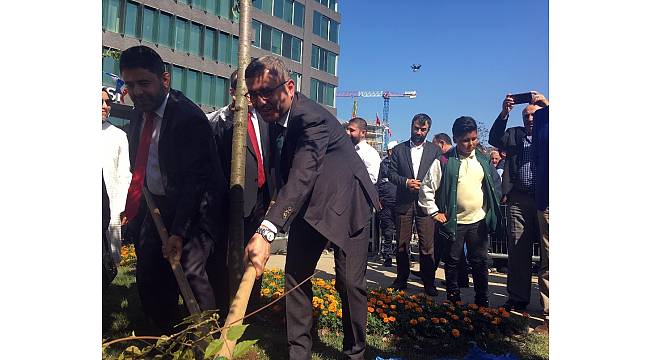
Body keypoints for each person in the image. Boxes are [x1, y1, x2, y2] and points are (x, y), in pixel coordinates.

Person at [242, 55, 380, 360]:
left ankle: (356, 352)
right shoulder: (273, 118)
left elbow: (304, 171)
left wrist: (267, 230)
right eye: (253, 94)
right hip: (308, 205)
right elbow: (284, 175)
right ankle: (299, 353)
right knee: (295, 276)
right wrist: (271, 214)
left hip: (347, 202)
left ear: (289, 87)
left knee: (349, 283)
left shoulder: (310, 118)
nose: (260, 100)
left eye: (266, 91)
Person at [119, 45, 228, 334]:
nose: (137, 92)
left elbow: (196, 182)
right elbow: (140, 165)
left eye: (144, 83)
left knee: (190, 269)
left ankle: (209, 335)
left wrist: (179, 232)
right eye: (130, 85)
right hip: (158, 206)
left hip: (198, 206)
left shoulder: (188, 119)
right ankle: (163, 333)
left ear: (164, 80)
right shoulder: (137, 115)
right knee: (148, 270)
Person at [206, 69, 272, 318]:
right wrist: (234, 116)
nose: (252, 98)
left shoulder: (266, 119)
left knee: (254, 258)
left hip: (261, 201)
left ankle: (251, 311)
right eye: (247, 93)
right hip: (231, 202)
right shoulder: (219, 121)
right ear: (233, 92)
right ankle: (224, 310)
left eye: (256, 93)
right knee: (226, 259)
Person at [419, 116, 503, 306]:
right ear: (455, 138)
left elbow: (494, 187)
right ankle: (453, 301)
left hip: (478, 221)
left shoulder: (483, 160)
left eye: (474, 139)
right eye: (466, 140)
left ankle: (482, 301)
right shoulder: (444, 161)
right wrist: (434, 212)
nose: (471, 143)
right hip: (454, 222)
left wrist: (490, 210)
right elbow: (426, 188)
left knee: (480, 262)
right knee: (453, 262)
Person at [488, 91, 547, 311]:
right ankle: (518, 298)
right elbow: (494, 138)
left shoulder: (549, 134)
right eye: (525, 116)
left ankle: (547, 304)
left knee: (548, 253)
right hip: (519, 199)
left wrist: (547, 104)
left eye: (534, 115)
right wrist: (505, 112)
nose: (529, 119)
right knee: (517, 250)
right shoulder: (515, 134)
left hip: (545, 199)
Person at [387, 114, 441, 295]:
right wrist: (406, 182)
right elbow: (391, 173)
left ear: (428, 130)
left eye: (423, 129)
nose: (419, 132)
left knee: (427, 245)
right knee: (402, 243)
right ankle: (401, 278)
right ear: (411, 126)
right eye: (416, 128)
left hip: (426, 203)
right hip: (404, 202)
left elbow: (440, 175)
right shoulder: (399, 149)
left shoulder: (435, 151)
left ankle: (429, 282)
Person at [102, 89, 132, 265]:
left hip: (110, 204)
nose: (105, 106)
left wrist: (121, 206)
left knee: (108, 258)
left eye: (108, 103)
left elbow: (123, 174)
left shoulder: (119, 136)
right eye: (101, 102)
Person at [531, 95, 549, 331]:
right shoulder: (542, 118)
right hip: (547, 200)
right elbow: (537, 158)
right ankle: (550, 315)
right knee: (550, 258)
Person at [377, 140, 398, 267]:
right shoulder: (383, 164)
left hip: (400, 202)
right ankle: (387, 255)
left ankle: (403, 255)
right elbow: (378, 182)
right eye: (391, 150)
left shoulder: (402, 164)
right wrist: (379, 199)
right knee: (388, 231)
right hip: (386, 202)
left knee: (401, 232)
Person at [347, 117, 381, 184]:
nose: (347, 132)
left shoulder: (370, 152)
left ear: (363, 133)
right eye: (347, 129)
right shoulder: (347, 150)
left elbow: (372, 178)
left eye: (352, 130)